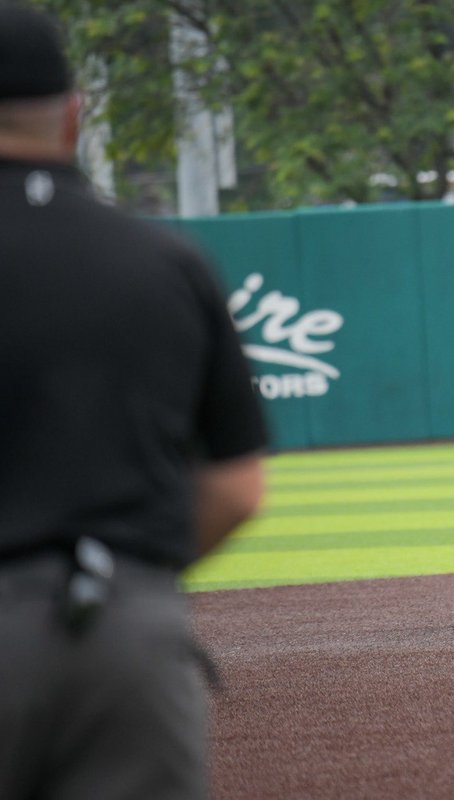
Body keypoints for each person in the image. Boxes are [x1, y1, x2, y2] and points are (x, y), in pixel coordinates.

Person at [0, 7, 268, 799]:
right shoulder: (168, 261)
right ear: (75, 114)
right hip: (128, 637)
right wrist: (125, 582)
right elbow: (236, 489)